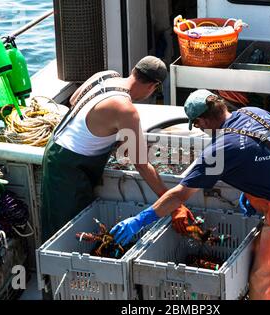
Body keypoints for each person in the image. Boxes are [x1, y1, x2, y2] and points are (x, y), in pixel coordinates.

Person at [111, 89, 270, 300]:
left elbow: (179, 195)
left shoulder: (219, 151)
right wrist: (251, 191)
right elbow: (266, 151)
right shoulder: (254, 112)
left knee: (267, 284)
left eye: (197, 125)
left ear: (201, 122)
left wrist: (140, 220)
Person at [40, 56, 192, 242]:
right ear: (153, 86)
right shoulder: (126, 110)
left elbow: (73, 100)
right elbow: (142, 164)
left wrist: (109, 132)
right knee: (68, 234)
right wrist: (174, 203)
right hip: (68, 168)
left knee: (61, 223)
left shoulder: (106, 75)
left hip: (55, 148)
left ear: (135, 70)